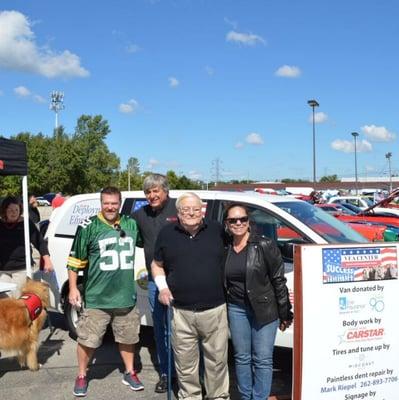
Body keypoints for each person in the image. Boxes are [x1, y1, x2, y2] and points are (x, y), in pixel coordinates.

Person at [152, 192, 230, 400]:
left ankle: (218, 397)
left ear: (202, 210)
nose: (191, 213)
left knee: (217, 362)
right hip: (181, 311)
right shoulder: (167, 233)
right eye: (186, 209)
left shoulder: (217, 230)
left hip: (214, 309)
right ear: (178, 212)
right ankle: (190, 397)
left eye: (196, 209)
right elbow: (157, 265)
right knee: (185, 364)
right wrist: (163, 288)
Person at [67, 186, 144, 397]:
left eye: (114, 203)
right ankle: (82, 374)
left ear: (120, 203)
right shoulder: (88, 226)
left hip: (125, 296)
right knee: (88, 340)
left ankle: (129, 372)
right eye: (106, 203)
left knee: (128, 338)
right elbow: (74, 261)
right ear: (101, 204)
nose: (110, 207)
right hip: (97, 297)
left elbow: (149, 242)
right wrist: (73, 288)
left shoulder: (130, 224)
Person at [224, 203, 293, 400]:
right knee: (242, 357)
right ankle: (246, 397)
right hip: (237, 309)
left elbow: (278, 280)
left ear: (248, 222)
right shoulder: (225, 246)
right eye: (232, 220)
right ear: (227, 223)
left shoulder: (264, 245)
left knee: (262, 359)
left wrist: (285, 312)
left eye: (242, 219)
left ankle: (259, 398)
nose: (238, 223)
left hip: (265, 309)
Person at [131, 173, 177, 393]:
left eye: (156, 190)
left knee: (183, 329)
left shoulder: (180, 209)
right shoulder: (139, 215)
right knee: (161, 329)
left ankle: (188, 374)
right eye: (148, 192)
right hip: (154, 282)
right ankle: (167, 374)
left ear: (165, 191)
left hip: (181, 278)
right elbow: (123, 233)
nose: (152, 195)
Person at [0, 196, 53, 298]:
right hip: (3, 269)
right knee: (3, 297)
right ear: (4, 211)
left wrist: (47, 260)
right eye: (10, 210)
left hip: (21, 268)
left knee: (15, 296)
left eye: (16, 210)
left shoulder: (26, 223)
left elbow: (39, 242)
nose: (13, 212)